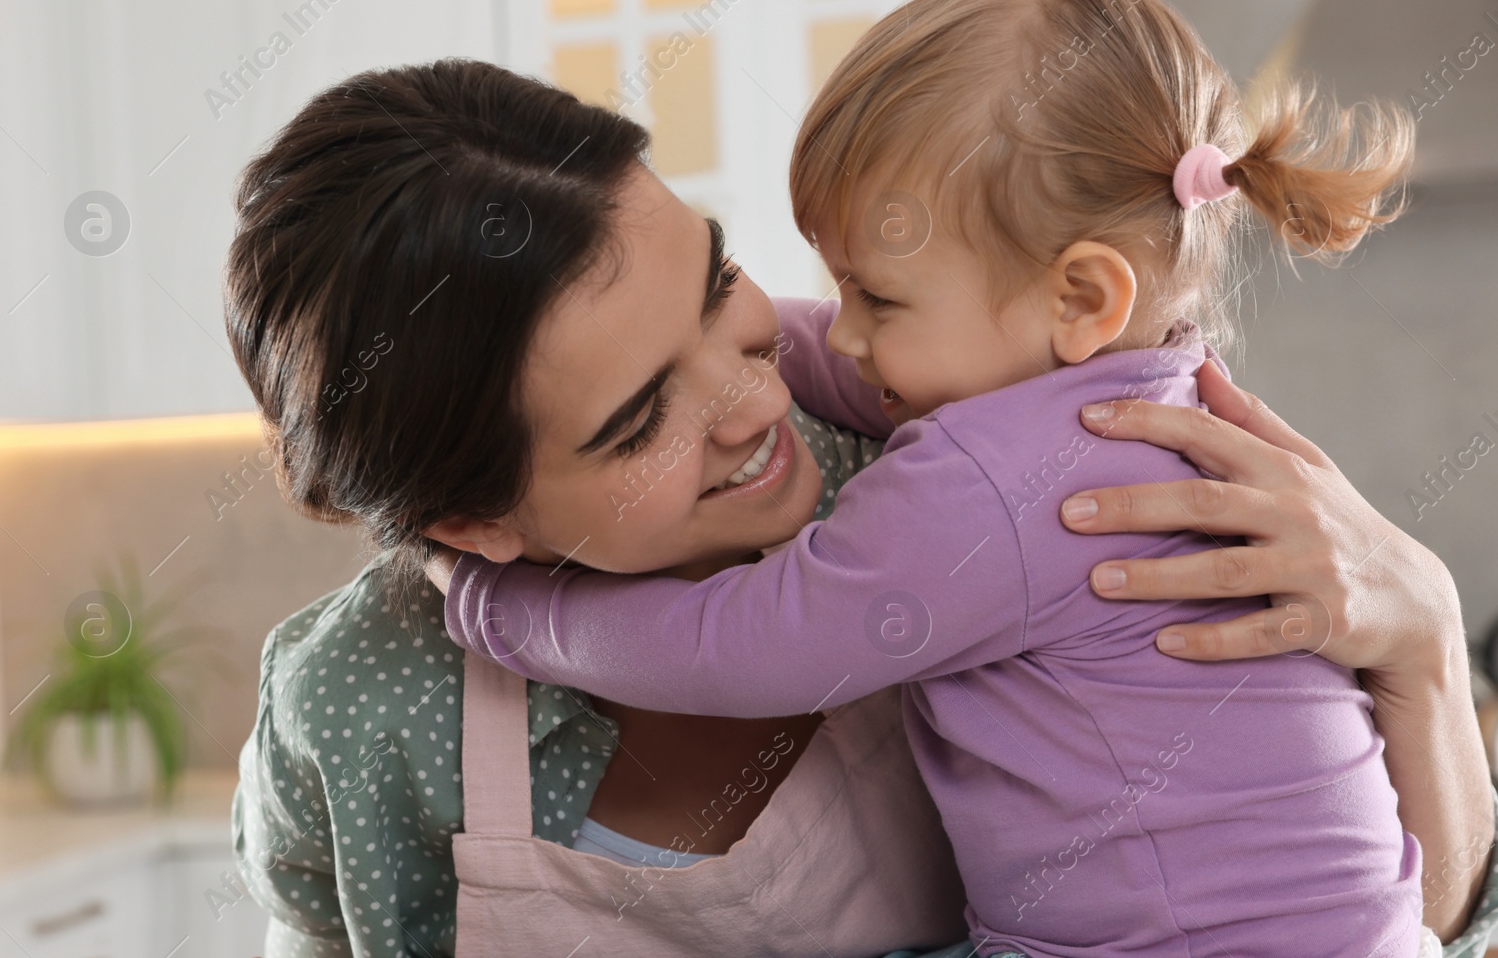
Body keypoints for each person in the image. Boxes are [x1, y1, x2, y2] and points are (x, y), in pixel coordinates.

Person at [225, 57, 1498, 957]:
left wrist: (1426, 646)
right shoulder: (360, 705)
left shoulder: (944, 466)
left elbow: (1404, 919)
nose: (752, 401)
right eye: (635, 419)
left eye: (716, 284)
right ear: (471, 526)